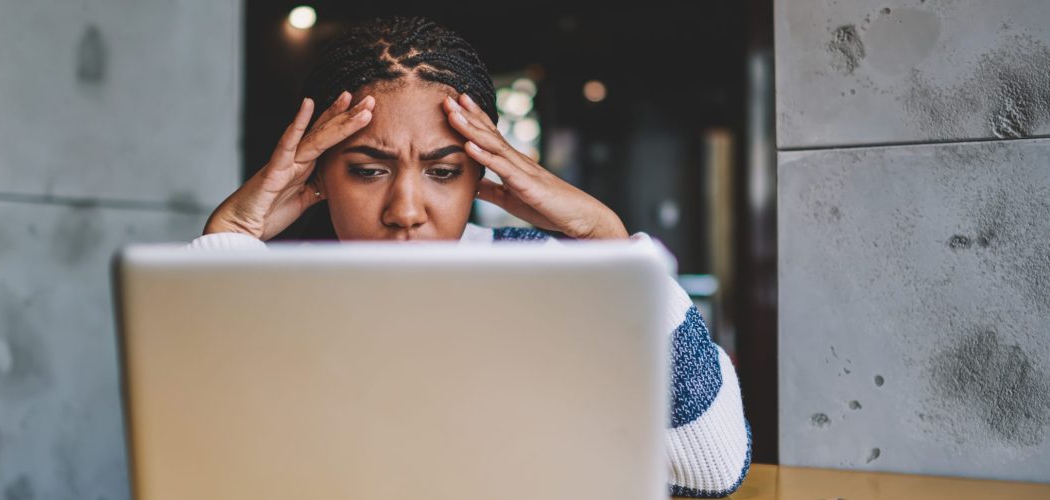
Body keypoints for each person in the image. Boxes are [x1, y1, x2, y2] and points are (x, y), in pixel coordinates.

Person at [188, 16, 751, 497]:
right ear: (320, 176)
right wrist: (232, 236)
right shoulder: (275, 297)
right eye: (367, 170)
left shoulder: (545, 278)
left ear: (481, 175)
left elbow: (713, 470)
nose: (405, 209)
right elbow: (199, 465)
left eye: (442, 171)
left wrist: (610, 247)